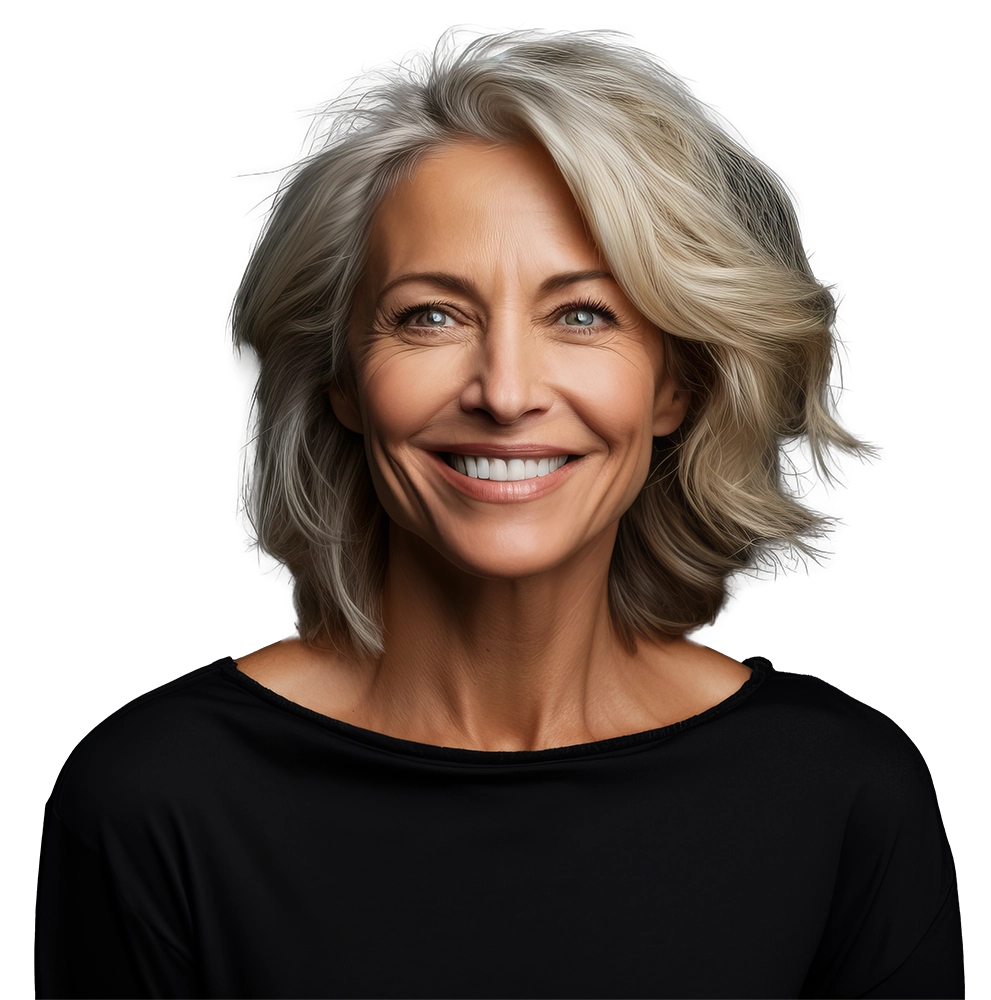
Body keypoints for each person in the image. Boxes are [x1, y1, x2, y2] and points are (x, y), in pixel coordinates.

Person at [34, 28, 965, 998]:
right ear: (343, 378)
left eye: (583, 314)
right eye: (430, 315)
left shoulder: (838, 792)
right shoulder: (160, 795)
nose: (506, 391)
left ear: (673, 385)